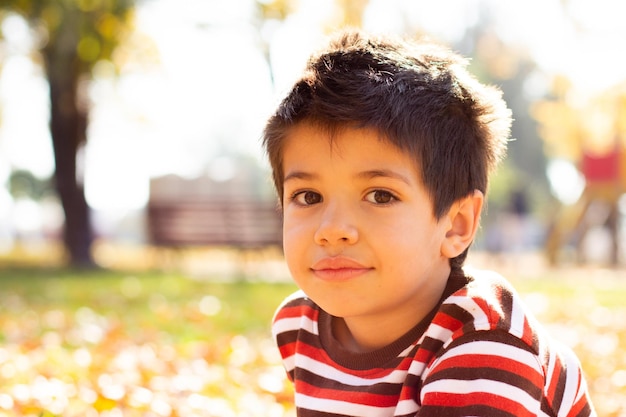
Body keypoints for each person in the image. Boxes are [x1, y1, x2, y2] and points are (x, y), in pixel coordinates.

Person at [263, 29, 596, 417]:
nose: (332, 228)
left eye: (380, 196)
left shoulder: (482, 347)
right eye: (308, 197)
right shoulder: (298, 326)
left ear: (455, 225)